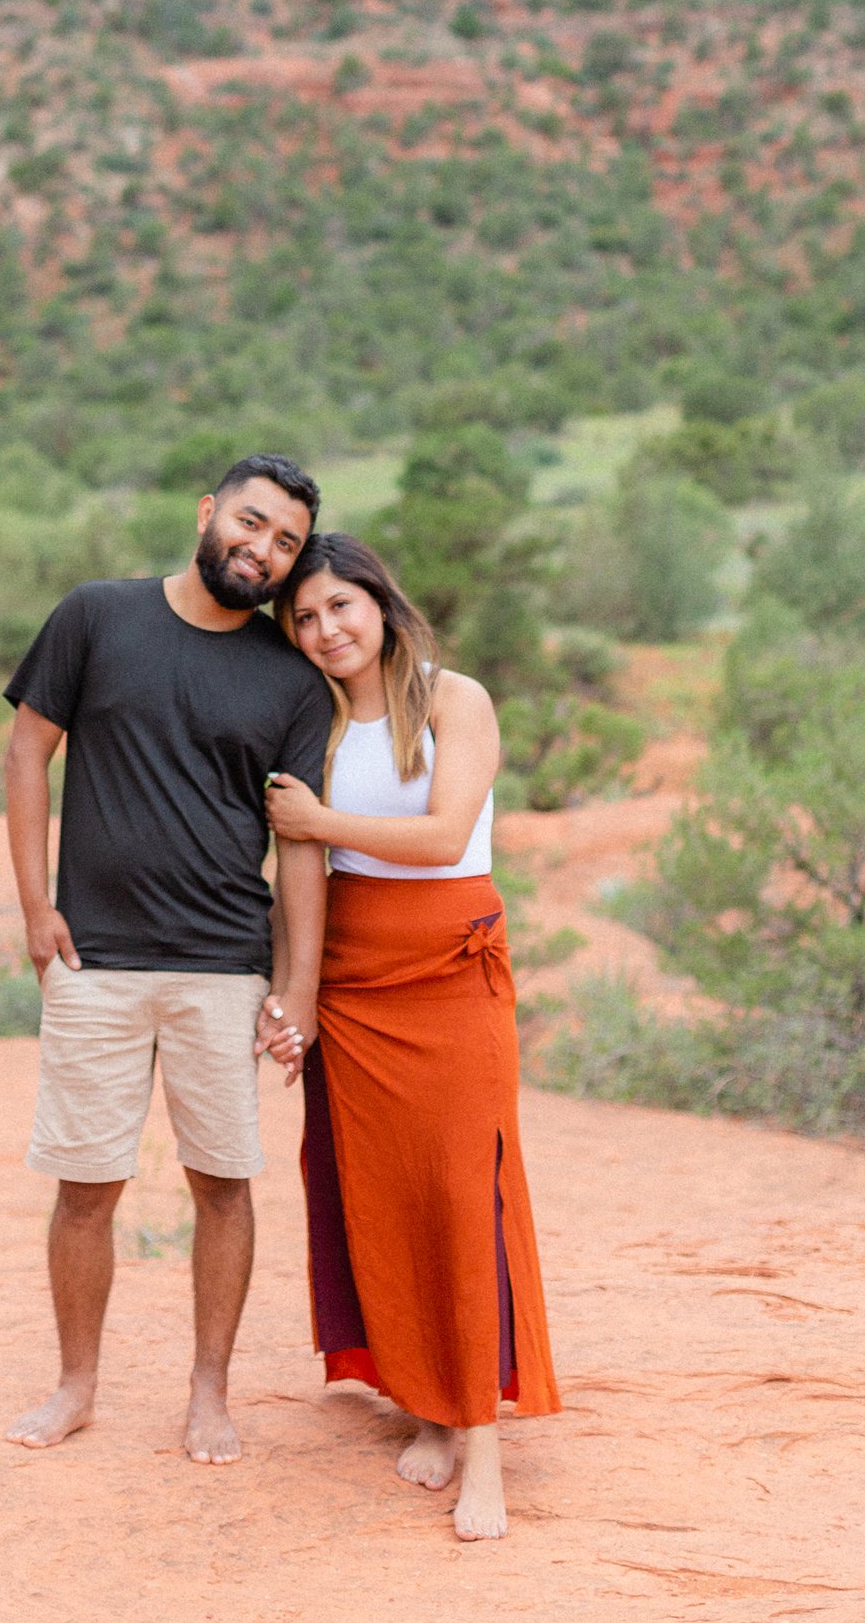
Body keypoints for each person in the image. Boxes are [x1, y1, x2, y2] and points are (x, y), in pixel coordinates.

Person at [2, 454, 331, 1465]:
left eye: (285, 543)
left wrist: (299, 987)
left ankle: (209, 1394)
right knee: (85, 1186)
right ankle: (76, 1386)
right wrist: (35, 909)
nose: (262, 550)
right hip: (94, 960)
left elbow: (300, 842)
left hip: (223, 968)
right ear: (207, 513)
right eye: (251, 523)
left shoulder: (293, 680)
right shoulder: (96, 617)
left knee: (222, 1183)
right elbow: (27, 752)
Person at [264, 532, 559, 1542]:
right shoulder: (310, 723)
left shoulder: (450, 699)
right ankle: (428, 1406)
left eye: (340, 606)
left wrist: (320, 824)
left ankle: (485, 1451)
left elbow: (442, 835)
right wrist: (297, 995)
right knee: (383, 1194)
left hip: (449, 969)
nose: (325, 630)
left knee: (461, 1191)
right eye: (304, 618)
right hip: (354, 980)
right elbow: (297, 868)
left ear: (381, 605)